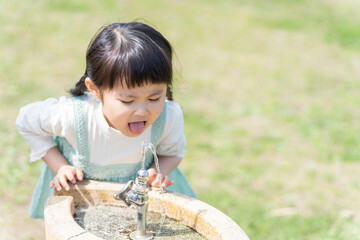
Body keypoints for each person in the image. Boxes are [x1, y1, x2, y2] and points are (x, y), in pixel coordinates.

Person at [16, 22, 196, 219]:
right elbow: (25, 121)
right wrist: (60, 166)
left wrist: (154, 173)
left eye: (154, 98)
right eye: (128, 100)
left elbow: (173, 153)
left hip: (137, 211)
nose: (142, 111)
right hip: (82, 207)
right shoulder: (74, 116)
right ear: (95, 90)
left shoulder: (168, 117)